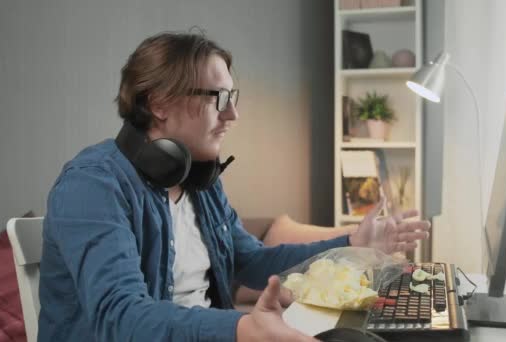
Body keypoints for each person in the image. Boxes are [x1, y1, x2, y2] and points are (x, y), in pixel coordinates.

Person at [37, 31, 431, 342]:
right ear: (159, 103)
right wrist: (241, 329)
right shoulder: (93, 185)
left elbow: (251, 263)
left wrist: (350, 244)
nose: (233, 114)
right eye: (219, 98)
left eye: (233, 97)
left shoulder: (199, 180)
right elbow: (120, 317)